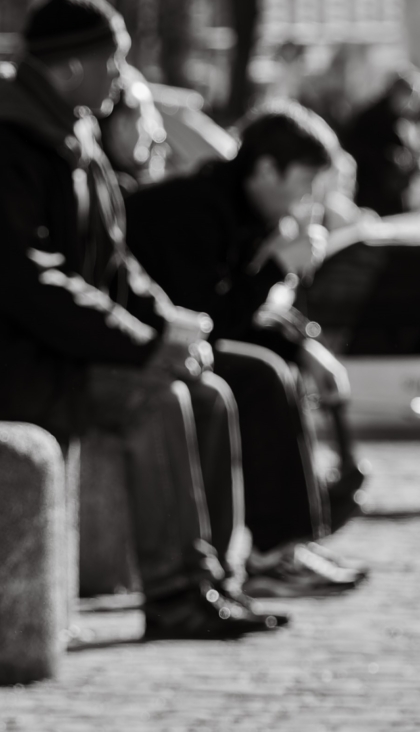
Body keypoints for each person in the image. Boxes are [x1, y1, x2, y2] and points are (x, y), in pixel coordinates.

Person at [0, 0, 286, 639]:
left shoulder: (74, 136)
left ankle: (210, 580)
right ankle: (174, 596)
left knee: (207, 392)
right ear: (69, 68)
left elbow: (116, 266)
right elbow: (29, 282)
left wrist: (175, 326)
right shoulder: (7, 144)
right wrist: (142, 347)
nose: (123, 76)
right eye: (114, 60)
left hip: (61, 351)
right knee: (156, 397)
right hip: (4, 365)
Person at [125, 102, 370, 597]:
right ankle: (272, 554)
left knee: (275, 364)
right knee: (260, 375)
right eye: (302, 183)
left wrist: (304, 347)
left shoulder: (243, 208)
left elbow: (242, 315)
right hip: (137, 345)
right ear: (264, 170)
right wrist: (277, 266)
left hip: (176, 342)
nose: (306, 200)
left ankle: (289, 544)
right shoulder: (194, 209)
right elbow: (212, 318)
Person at [344, 68, 420, 216]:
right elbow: (364, 151)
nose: (413, 104)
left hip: (389, 192)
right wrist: (393, 158)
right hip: (372, 191)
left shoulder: (397, 117)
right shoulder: (372, 118)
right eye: (411, 97)